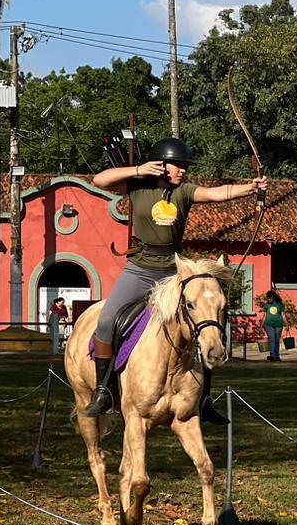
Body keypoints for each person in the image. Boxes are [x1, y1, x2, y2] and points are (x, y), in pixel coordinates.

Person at [83, 137, 266, 416]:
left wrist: (250, 189)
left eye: (184, 166)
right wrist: (138, 169)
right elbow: (100, 180)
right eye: (178, 166)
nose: (183, 171)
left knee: (199, 325)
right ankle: (103, 391)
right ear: (160, 165)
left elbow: (217, 193)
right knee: (107, 321)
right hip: (140, 269)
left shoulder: (185, 192)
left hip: (174, 272)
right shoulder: (137, 186)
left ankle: (203, 399)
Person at [261, 289, 285, 362]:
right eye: (267, 298)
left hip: (278, 324)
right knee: (272, 339)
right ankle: (272, 355)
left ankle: (276, 355)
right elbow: (264, 316)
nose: (268, 299)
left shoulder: (280, 305)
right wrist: (261, 325)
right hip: (269, 324)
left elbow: (283, 315)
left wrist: (286, 324)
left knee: (276, 340)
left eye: (269, 297)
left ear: (273, 297)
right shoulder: (266, 305)